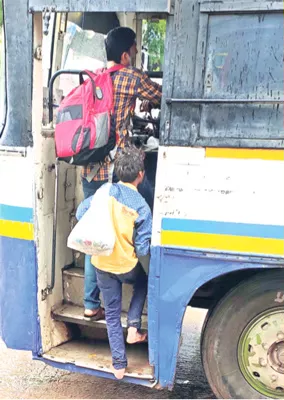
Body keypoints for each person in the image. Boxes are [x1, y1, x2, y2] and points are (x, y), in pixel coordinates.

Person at [81, 26, 161, 321]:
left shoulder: (95, 78)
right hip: (116, 170)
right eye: (136, 50)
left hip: (90, 167)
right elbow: (162, 95)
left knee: (93, 230)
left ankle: (90, 302)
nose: (136, 55)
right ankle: (140, 276)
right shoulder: (132, 76)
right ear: (126, 54)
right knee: (146, 208)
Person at [76, 145, 152, 379]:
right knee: (144, 282)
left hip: (101, 264)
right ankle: (133, 325)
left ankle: (118, 364)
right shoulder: (141, 206)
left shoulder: (103, 191)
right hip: (126, 266)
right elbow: (142, 247)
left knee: (110, 312)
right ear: (141, 174)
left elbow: (81, 213)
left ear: (116, 172)